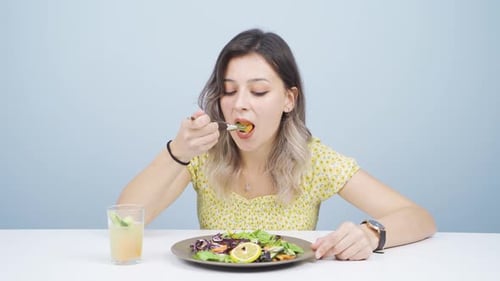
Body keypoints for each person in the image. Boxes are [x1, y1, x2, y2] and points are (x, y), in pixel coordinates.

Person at [117, 28, 436, 261]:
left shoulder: (315, 161)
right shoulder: (204, 156)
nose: (239, 104)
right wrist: (177, 153)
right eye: (229, 91)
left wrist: (370, 234)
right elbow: (126, 218)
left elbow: (418, 217)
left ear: (288, 99)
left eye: (257, 92)